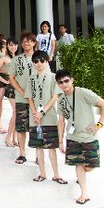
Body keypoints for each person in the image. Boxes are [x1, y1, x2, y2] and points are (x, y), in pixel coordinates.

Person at [55, 70, 104, 204]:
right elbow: (61, 122)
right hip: (72, 137)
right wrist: (60, 141)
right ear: (58, 84)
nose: (64, 84)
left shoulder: (83, 93)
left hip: (89, 137)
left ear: (72, 80)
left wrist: (99, 124)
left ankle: (81, 177)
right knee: (78, 164)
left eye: (66, 81)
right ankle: (84, 193)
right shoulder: (61, 100)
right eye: (61, 82)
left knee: (90, 166)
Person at [24, 50, 64, 184]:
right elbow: (29, 97)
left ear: (47, 62)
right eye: (36, 61)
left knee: (51, 147)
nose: (39, 63)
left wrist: (42, 112)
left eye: (42, 61)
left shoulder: (53, 77)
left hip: (49, 117)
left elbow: (55, 96)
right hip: (35, 118)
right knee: (38, 147)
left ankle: (56, 175)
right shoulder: (31, 78)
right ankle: (42, 173)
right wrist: (35, 113)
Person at [8, 32, 37, 165]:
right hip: (21, 98)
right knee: (21, 127)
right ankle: (22, 153)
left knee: (36, 127)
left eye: (29, 41)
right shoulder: (17, 59)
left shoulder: (40, 58)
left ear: (34, 43)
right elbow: (11, 77)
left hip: (37, 100)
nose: (26, 43)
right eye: (24, 41)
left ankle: (38, 154)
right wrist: (21, 91)